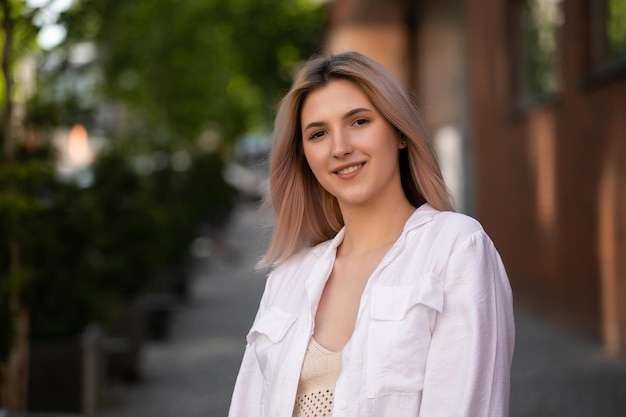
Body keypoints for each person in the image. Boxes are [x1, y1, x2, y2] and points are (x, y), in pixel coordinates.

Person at [228, 51, 515, 417]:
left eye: (359, 121)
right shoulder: (286, 280)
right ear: (304, 158)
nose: (340, 147)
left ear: (399, 133)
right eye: (318, 134)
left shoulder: (455, 248)